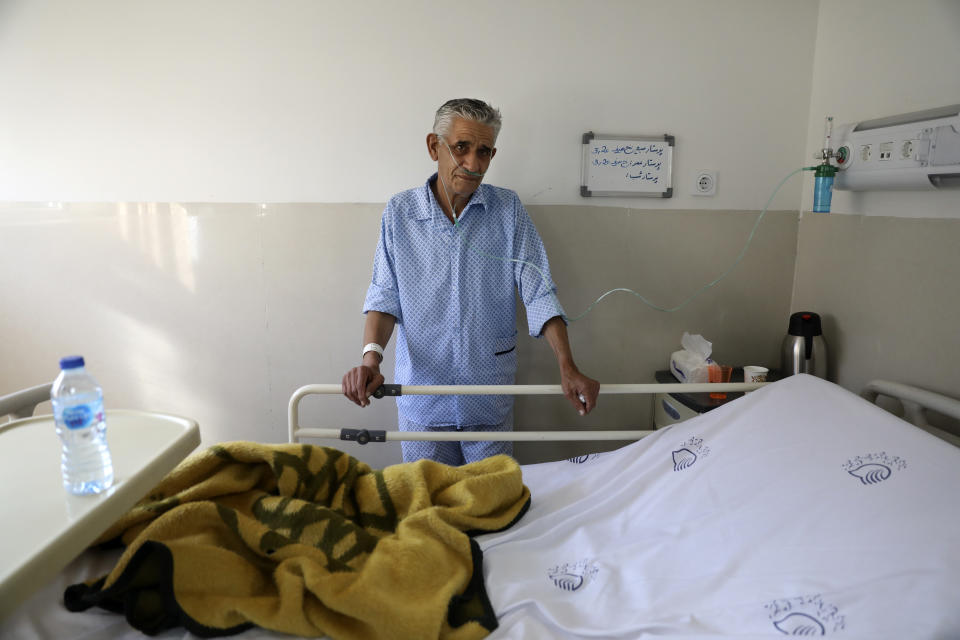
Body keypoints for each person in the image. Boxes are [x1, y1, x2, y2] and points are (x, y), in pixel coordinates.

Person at [342, 98, 599, 465]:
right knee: (428, 504)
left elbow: (538, 291)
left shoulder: (507, 211)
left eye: (484, 152)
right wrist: (371, 361)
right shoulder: (401, 214)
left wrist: (568, 366)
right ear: (435, 146)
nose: (474, 164)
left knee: (490, 504)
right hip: (423, 398)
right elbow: (385, 297)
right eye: (462, 148)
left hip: (487, 395)